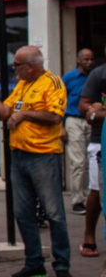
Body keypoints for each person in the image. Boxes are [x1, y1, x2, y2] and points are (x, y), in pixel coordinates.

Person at [0, 46, 70, 277]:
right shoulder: (22, 85)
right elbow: (3, 113)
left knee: (54, 213)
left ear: (30, 66)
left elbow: (55, 116)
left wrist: (23, 115)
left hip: (44, 156)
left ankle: (61, 265)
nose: (14, 69)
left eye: (17, 65)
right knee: (23, 213)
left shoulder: (53, 83)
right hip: (18, 156)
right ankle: (34, 263)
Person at [79, 51, 106, 258]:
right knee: (97, 191)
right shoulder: (99, 74)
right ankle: (89, 235)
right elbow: (85, 107)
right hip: (100, 141)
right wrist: (94, 112)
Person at [64, 49, 95, 215]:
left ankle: (92, 198)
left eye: (91, 59)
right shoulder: (69, 78)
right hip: (74, 121)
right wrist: (61, 126)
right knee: (79, 162)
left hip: (93, 122)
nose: (89, 62)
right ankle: (78, 201)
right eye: (86, 59)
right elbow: (59, 101)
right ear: (78, 60)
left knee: (92, 161)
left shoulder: (95, 77)